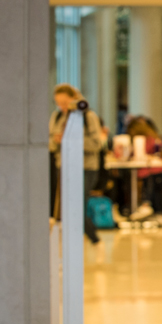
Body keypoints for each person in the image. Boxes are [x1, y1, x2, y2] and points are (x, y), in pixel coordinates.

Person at [49, 83, 104, 244]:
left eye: (65, 103)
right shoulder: (57, 117)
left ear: (74, 99)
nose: (62, 107)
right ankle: (80, 240)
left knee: (77, 205)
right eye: (58, 103)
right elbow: (50, 143)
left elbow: (96, 144)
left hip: (85, 167)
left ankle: (93, 238)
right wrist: (57, 141)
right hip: (63, 167)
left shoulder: (88, 116)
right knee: (68, 207)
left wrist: (72, 140)